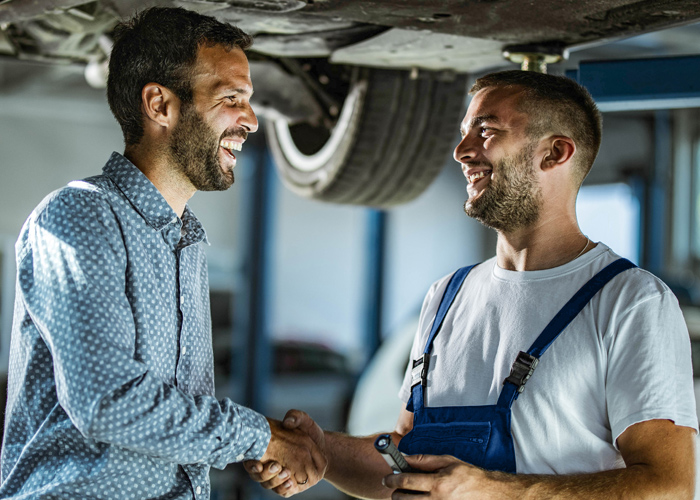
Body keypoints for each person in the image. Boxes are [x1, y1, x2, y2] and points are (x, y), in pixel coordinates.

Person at [246, 70, 698, 499]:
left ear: (555, 153)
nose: (461, 151)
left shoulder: (629, 300)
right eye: (464, 132)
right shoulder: (447, 295)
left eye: (485, 130)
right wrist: (317, 450)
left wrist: (494, 493)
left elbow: (670, 486)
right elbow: (406, 458)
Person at [0, 7, 325, 499]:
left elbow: (165, 419)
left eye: (249, 101)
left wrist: (260, 445)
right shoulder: (80, 216)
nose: (252, 121)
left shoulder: (185, 242)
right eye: (231, 98)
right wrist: (260, 439)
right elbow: (107, 401)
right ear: (160, 105)